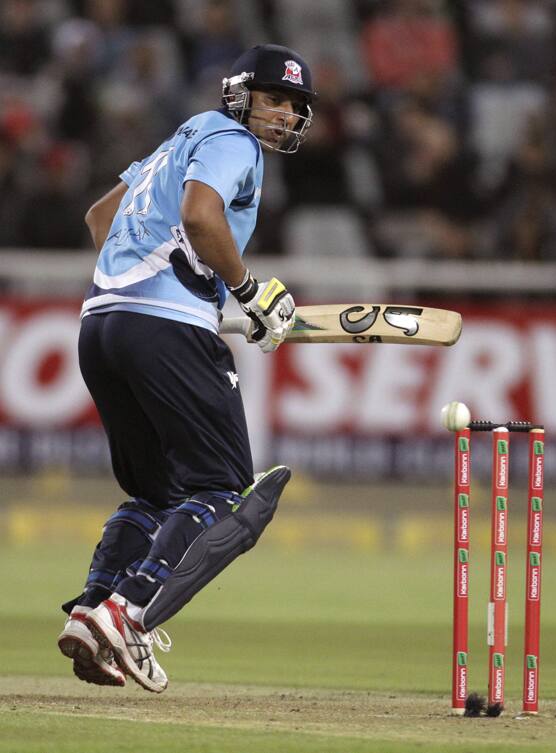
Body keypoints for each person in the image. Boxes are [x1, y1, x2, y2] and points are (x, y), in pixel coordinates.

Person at [56, 43, 316, 693]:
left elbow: (100, 218)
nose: (284, 115)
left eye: (294, 106)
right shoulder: (234, 142)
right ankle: (130, 613)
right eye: (274, 99)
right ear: (239, 95)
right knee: (221, 483)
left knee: (154, 493)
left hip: (101, 323)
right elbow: (201, 216)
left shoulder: (179, 140)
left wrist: (176, 292)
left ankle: (93, 610)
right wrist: (247, 291)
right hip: (162, 329)